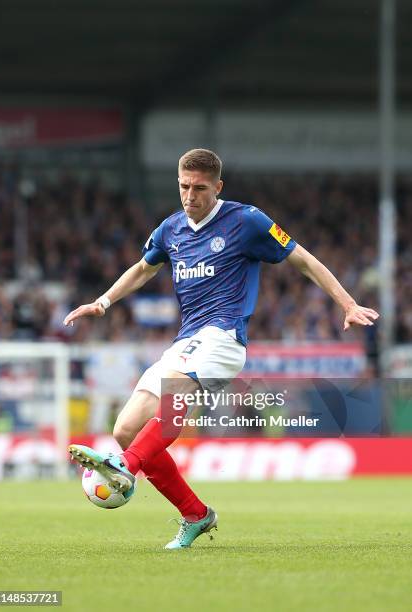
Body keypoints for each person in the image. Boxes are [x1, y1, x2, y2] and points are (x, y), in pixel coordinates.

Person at [65, 149, 379, 549]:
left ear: (218, 187)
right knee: (125, 429)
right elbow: (144, 268)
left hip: (224, 338)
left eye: (199, 188)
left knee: (171, 401)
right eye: (183, 187)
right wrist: (103, 301)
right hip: (187, 340)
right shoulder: (171, 229)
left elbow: (303, 259)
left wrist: (347, 303)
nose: (190, 196)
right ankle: (195, 514)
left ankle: (122, 466)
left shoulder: (247, 221)